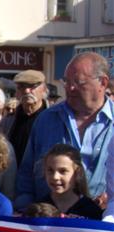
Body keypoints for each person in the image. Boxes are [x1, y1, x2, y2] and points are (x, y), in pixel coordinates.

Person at [15, 52, 114, 210]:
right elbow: (26, 174)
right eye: (67, 81)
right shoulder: (46, 120)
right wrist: (26, 210)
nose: (70, 88)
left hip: (100, 225)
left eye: (78, 82)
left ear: (102, 83)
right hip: (48, 224)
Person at [0, 69, 48, 165]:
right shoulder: (8, 121)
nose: (26, 91)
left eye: (32, 86)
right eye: (21, 87)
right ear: (16, 92)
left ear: (44, 90)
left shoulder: (52, 119)